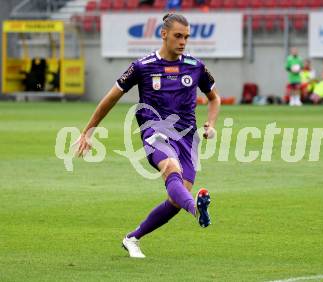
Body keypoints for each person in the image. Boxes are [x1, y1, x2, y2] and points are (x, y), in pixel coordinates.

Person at [75, 13, 221, 258]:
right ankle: (196, 209)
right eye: (178, 36)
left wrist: (210, 124)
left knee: (176, 198)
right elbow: (111, 97)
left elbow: (214, 98)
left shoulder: (195, 67)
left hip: (187, 138)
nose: (183, 41)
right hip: (155, 131)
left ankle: (132, 238)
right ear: (163, 34)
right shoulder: (142, 66)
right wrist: (88, 131)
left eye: (186, 37)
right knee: (171, 168)